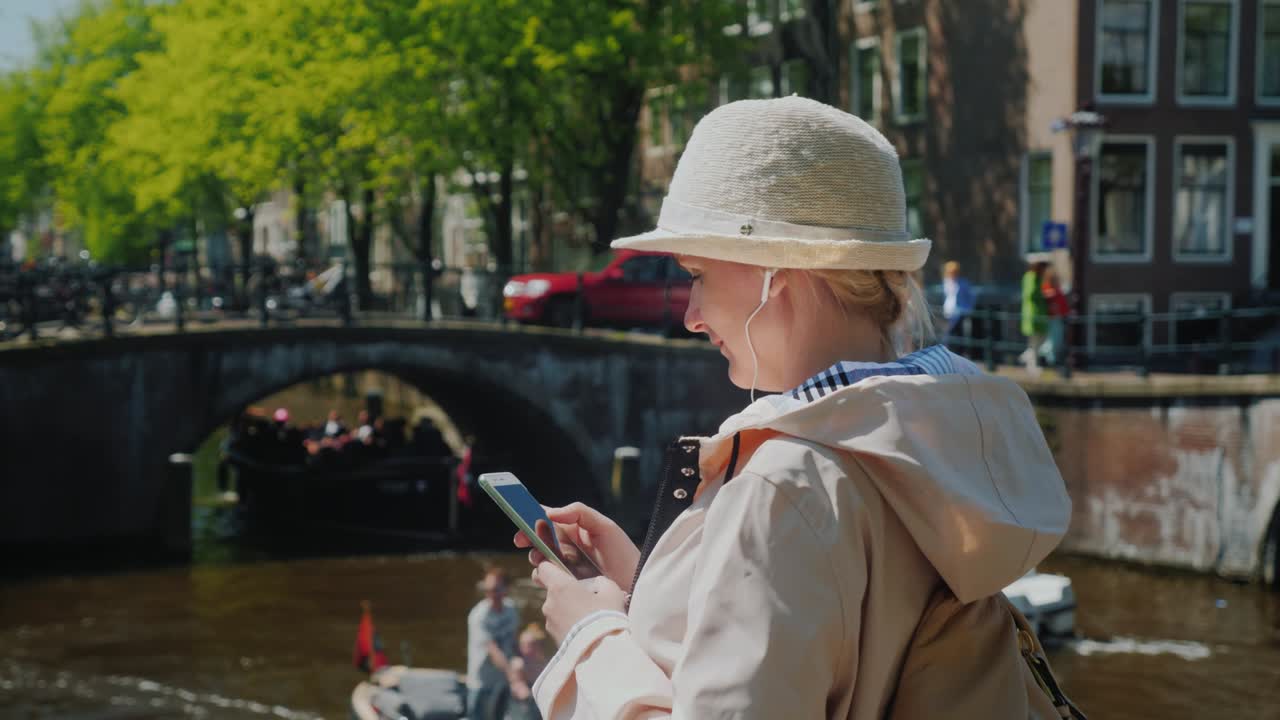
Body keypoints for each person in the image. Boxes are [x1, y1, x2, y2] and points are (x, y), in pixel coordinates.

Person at [514, 97, 1080, 719]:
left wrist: (591, 639)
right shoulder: (941, 444)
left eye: (698, 273)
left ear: (774, 273)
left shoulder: (783, 488)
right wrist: (651, 589)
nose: (691, 316)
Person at [467, 566, 520, 720]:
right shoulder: (479, 616)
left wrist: (526, 665)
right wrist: (513, 676)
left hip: (502, 681)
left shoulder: (511, 609)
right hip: (481, 682)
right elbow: (493, 650)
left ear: (506, 589)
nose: (491, 594)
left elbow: (514, 640)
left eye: (495, 589)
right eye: (487, 589)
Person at [505, 624, 550, 720]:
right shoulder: (518, 664)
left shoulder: (544, 663)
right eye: (523, 645)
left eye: (531, 645)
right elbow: (519, 688)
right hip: (523, 709)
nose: (527, 649)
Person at [1020, 253, 1051, 373]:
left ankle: (1027, 357)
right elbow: (1030, 293)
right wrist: (1044, 295)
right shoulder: (1031, 277)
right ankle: (1031, 365)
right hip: (1033, 314)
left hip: (1039, 314)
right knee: (1035, 341)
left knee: (1039, 340)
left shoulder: (1037, 277)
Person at [1040, 266, 1070, 368]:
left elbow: (1063, 304)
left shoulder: (1056, 289)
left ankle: (1049, 359)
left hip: (1058, 318)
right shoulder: (1047, 288)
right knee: (1053, 340)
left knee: (1057, 340)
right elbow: (1045, 298)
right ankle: (1048, 359)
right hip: (1051, 318)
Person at [940, 260, 974, 347]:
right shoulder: (945, 283)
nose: (952, 274)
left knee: (957, 334)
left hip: (960, 312)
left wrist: (968, 309)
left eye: (954, 272)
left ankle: (958, 353)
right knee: (948, 334)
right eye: (950, 272)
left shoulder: (963, 283)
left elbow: (970, 297)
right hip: (948, 312)